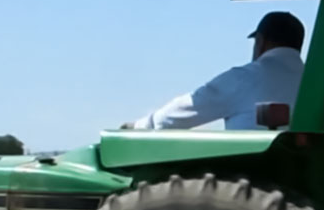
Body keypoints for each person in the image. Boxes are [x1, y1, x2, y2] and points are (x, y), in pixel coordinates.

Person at [126, 11, 308, 130]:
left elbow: (188, 109)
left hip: (251, 180)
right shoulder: (323, 91)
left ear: (260, 42)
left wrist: (141, 125)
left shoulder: (245, 78)